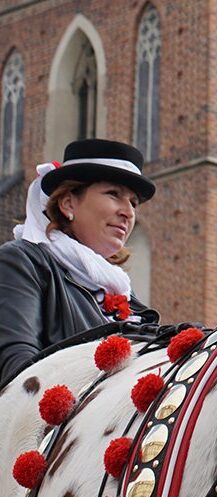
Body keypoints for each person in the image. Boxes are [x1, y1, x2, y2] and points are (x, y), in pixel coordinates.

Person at [0, 138, 160, 388]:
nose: (128, 212)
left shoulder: (131, 303)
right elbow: (18, 373)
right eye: (113, 194)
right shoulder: (23, 262)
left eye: (133, 203)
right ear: (68, 204)